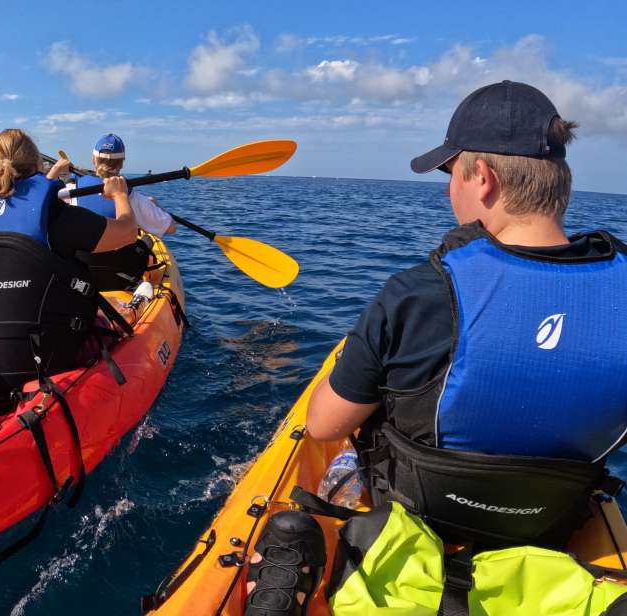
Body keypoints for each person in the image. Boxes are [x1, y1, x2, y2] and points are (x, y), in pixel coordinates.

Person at [243, 81, 627, 615]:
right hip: (545, 528)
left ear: (483, 179)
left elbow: (324, 426)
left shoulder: (421, 293)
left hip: (413, 521)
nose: (449, 192)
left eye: (451, 174)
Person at [0, 128, 139, 403]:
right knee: (119, 311)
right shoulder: (57, 214)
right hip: (51, 355)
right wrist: (120, 194)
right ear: (38, 166)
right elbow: (127, 232)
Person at [62, 134, 176, 291]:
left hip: (80, 277)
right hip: (122, 278)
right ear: (121, 163)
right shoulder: (134, 198)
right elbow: (171, 228)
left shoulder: (70, 191)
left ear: (93, 159)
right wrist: (156, 205)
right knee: (147, 241)